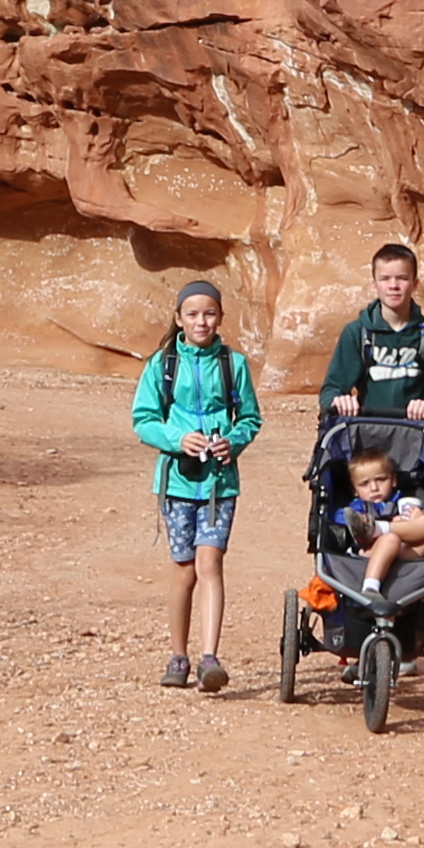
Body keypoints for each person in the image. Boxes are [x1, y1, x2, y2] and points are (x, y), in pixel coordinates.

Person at [129, 279, 262, 691]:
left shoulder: (233, 364)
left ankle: (209, 658)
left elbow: (250, 419)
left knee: (210, 563)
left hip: (219, 483)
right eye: (193, 314)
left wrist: (233, 441)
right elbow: (143, 419)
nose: (201, 321)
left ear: (220, 318)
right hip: (177, 483)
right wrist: (177, 439)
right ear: (178, 318)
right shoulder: (162, 364)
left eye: (209, 314)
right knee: (184, 570)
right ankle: (178, 656)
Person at [317, 239, 424, 425]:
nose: (393, 285)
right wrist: (337, 401)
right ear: (374, 284)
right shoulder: (357, 332)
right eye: (385, 278)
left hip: (417, 434)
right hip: (367, 434)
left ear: (415, 283)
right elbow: (332, 388)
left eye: (402, 278)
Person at [332, 436, 424, 591]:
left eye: (381, 480)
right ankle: (370, 588)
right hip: (368, 553)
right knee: (390, 539)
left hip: (406, 553)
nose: (374, 488)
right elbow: (340, 518)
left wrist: (417, 518)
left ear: (393, 480)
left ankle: (378, 528)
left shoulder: (403, 501)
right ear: (354, 490)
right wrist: (362, 521)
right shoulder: (358, 507)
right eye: (364, 484)